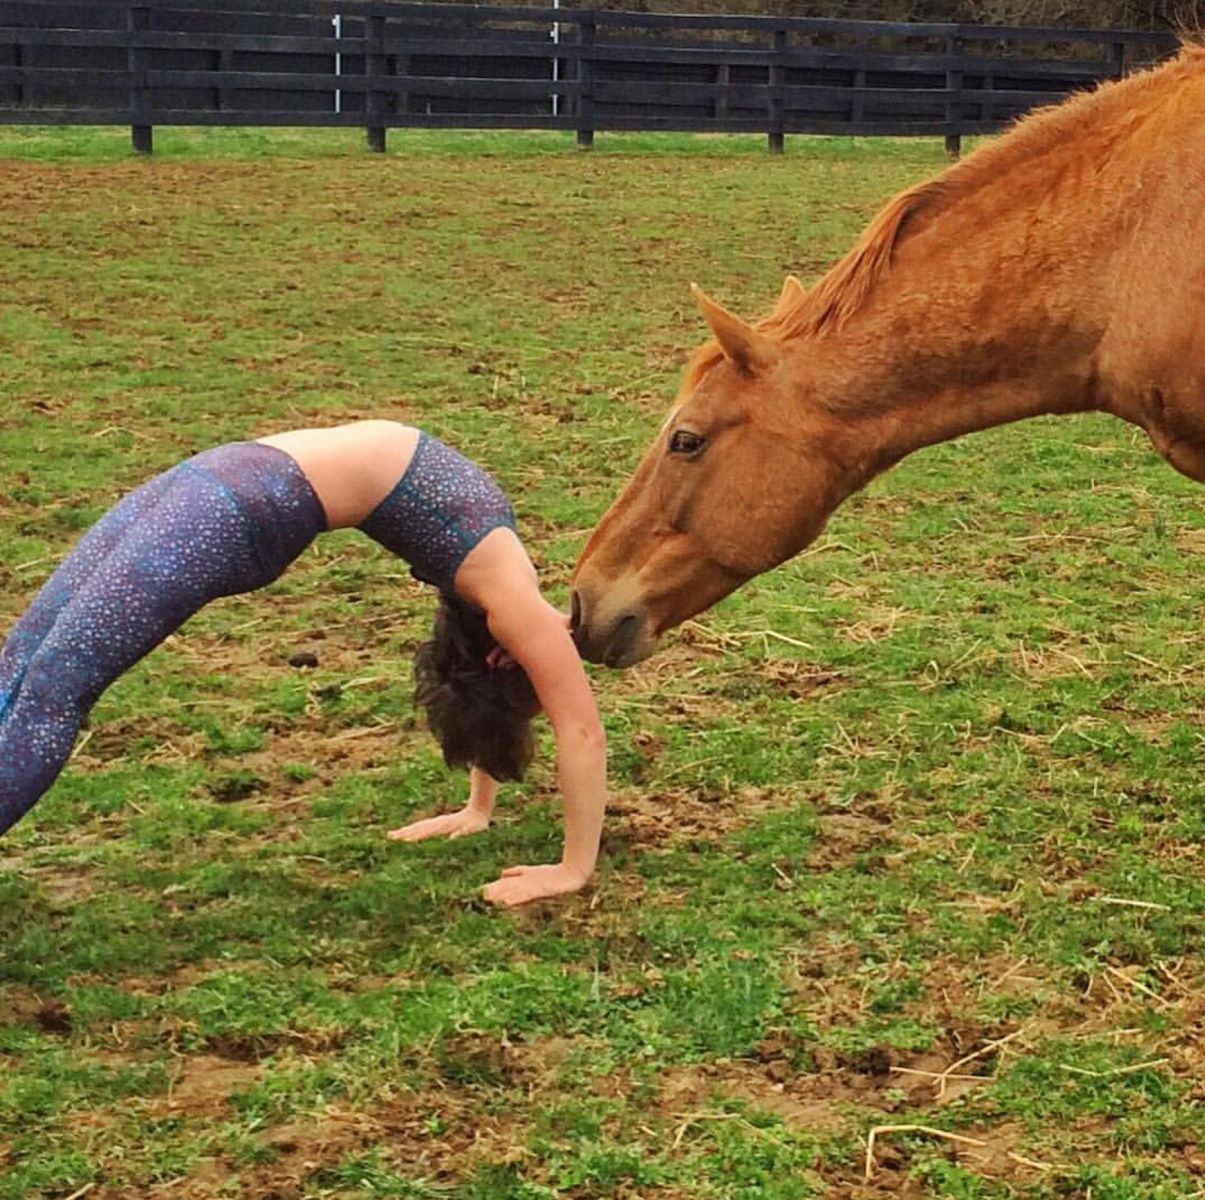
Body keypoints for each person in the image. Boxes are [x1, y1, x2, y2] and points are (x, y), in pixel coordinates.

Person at [0, 421, 606, 907]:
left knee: (54, 687)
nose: (564, 654)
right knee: (23, 657)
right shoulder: (501, 600)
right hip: (216, 478)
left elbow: (562, 722)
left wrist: (571, 869)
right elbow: (534, 707)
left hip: (232, 507)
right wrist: (490, 816)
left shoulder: (508, 606)